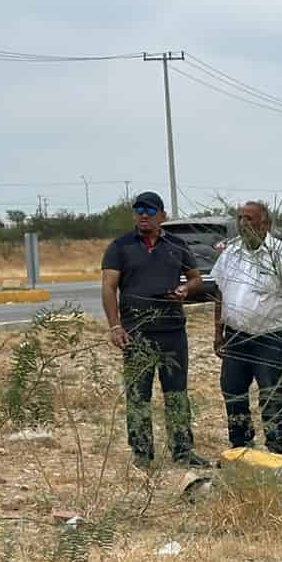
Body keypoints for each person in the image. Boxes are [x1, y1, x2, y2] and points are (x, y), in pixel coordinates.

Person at [101, 191, 209, 468]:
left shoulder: (177, 245)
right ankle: (141, 453)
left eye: (150, 211)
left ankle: (183, 451)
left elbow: (196, 279)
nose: (144, 215)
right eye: (139, 210)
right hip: (137, 334)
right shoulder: (120, 247)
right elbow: (109, 286)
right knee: (138, 395)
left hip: (173, 331)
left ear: (162, 215)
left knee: (176, 393)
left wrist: (185, 289)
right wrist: (115, 326)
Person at [209, 200, 282, 455]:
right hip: (235, 338)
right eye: (240, 218)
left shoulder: (281, 253)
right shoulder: (230, 253)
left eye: (249, 219)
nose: (243, 224)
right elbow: (220, 292)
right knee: (233, 393)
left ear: (265, 224)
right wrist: (218, 332)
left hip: (268, 339)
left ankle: (277, 448)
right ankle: (240, 446)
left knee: (271, 395)